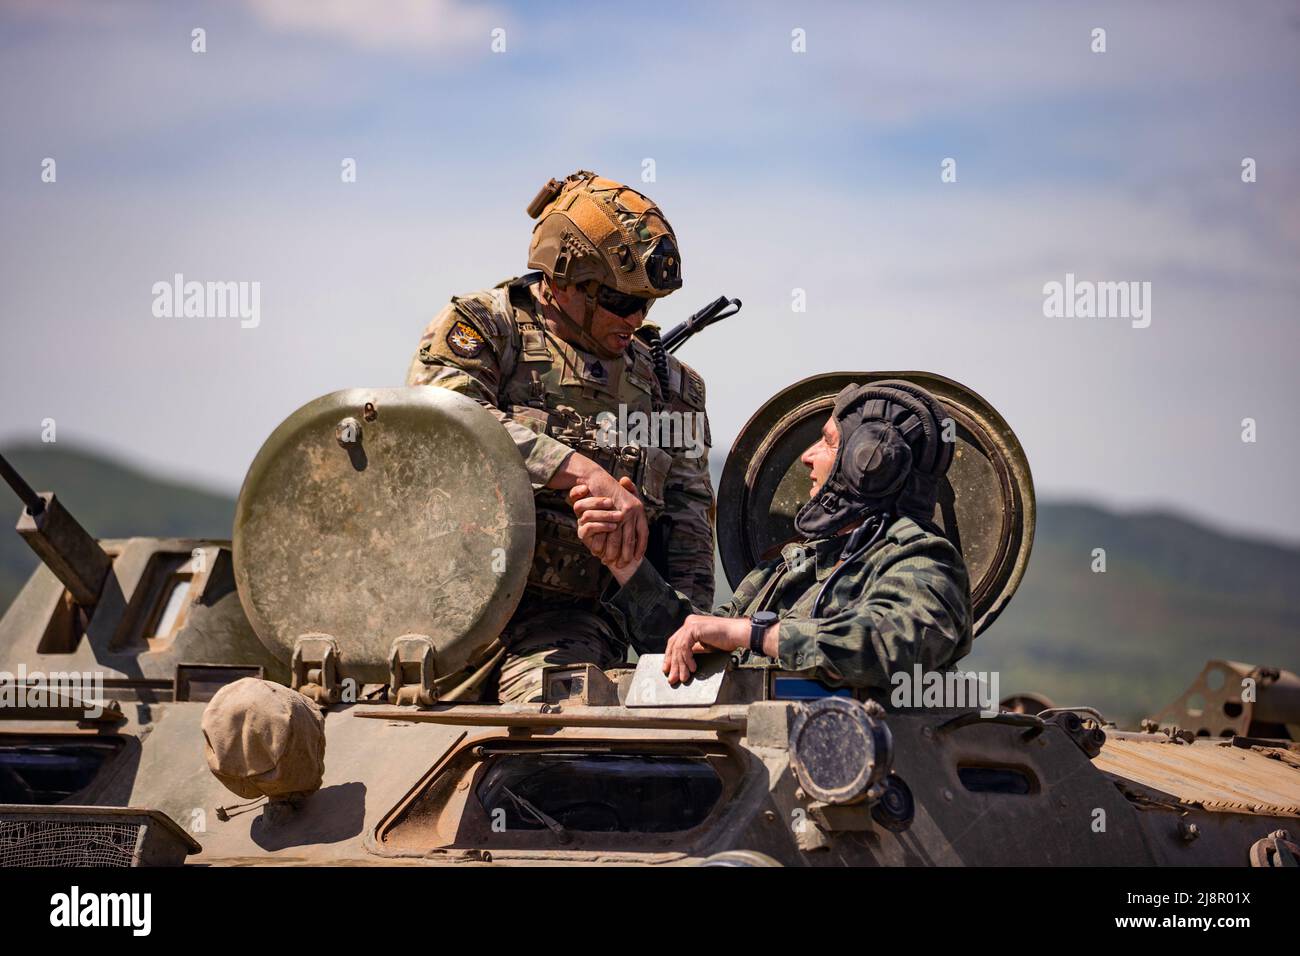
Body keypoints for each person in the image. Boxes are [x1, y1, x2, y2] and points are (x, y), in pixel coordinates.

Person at [406, 170, 715, 702]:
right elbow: (445, 425)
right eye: (621, 302)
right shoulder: (484, 329)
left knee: (563, 734)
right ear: (563, 282)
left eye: (648, 304)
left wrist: (682, 633)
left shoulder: (670, 388)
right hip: (438, 608)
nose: (638, 318)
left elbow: (689, 536)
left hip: (566, 627)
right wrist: (584, 471)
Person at [571, 380, 972, 694]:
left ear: (868, 462)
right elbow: (691, 641)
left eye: (829, 442)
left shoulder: (920, 558)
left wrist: (755, 634)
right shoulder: (791, 566)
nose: (807, 455)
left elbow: (895, 644)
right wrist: (626, 564)